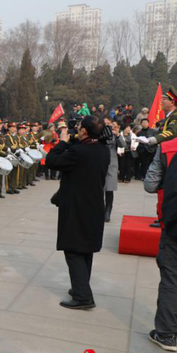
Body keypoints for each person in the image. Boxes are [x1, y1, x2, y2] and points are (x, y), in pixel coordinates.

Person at [45, 115, 109, 310]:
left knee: (73, 249)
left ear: (84, 132)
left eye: (79, 127)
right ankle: (80, 287)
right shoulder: (102, 149)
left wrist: (62, 142)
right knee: (85, 249)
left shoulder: (80, 152)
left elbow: (51, 161)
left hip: (77, 207)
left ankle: (83, 297)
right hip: (94, 206)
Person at [143, 135, 177, 351]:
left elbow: (150, 185)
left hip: (174, 224)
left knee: (172, 277)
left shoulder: (168, 148)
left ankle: (166, 333)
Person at [102, 117, 119, 223]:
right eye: (105, 124)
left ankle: (107, 212)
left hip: (111, 164)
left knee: (109, 190)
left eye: (109, 124)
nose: (107, 126)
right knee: (99, 190)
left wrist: (117, 135)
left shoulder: (114, 134)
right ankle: (100, 210)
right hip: (100, 163)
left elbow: (123, 145)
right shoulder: (99, 134)